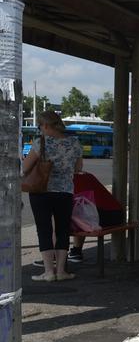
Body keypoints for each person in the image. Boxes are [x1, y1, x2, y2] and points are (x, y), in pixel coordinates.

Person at [23, 111, 83, 281]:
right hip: (65, 193)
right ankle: (62, 271)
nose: (40, 129)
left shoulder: (40, 143)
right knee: (63, 230)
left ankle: (49, 272)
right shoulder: (74, 143)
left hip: (41, 192)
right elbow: (78, 168)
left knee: (44, 230)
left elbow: (26, 168)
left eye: (40, 126)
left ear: (46, 125)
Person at [68, 172, 125, 262]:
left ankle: (56, 255)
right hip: (116, 214)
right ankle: (76, 251)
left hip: (101, 215)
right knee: (82, 215)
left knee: (72, 218)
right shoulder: (86, 175)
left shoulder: (66, 180)